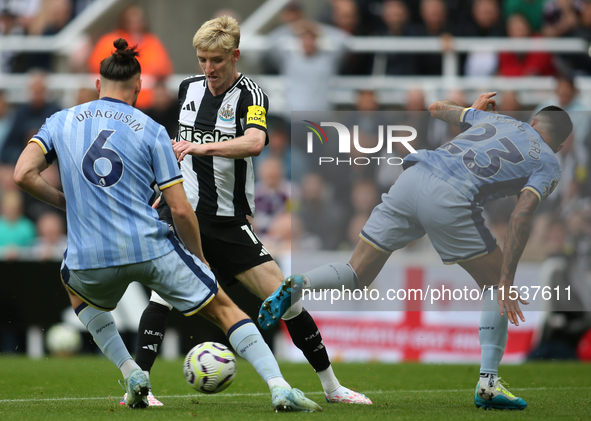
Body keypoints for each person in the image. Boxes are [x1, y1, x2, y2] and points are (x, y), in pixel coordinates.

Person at [12, 38, 321, 412]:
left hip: (89, 254)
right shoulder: (152, 129)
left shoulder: (60, 121)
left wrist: (66, 202)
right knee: (225, 309)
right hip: (151, 247)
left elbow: (23, 174)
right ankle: (279, 387)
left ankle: (132, 372)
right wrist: (199, 256)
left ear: (98, 85)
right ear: (138, 87)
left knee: (75, 290)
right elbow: (179, 208)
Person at [260, 92, 574, 410]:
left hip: (412, 177)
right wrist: (508, 276)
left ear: (532, 121)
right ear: (560, 145)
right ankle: (489, 385)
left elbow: (436, 108)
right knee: (495, 284)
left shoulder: (499, 119)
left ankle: (301, 283)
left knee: (357, 272)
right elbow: (520, 215)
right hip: (451, 196)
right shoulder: (549, 163)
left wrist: (470, 110)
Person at [133, 16, 371, 406]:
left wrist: (202, 147)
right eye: (202, 60)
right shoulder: (187, 89)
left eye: (216, 60)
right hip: (186, 216)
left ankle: (332, 388)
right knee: (161, 298)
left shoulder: (251, 94)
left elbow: (255, 142)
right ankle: (139, 388)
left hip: (228, 222)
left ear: (235, 55)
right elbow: (175, 149)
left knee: (286, 299)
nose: (208, 69)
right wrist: (164, 186)